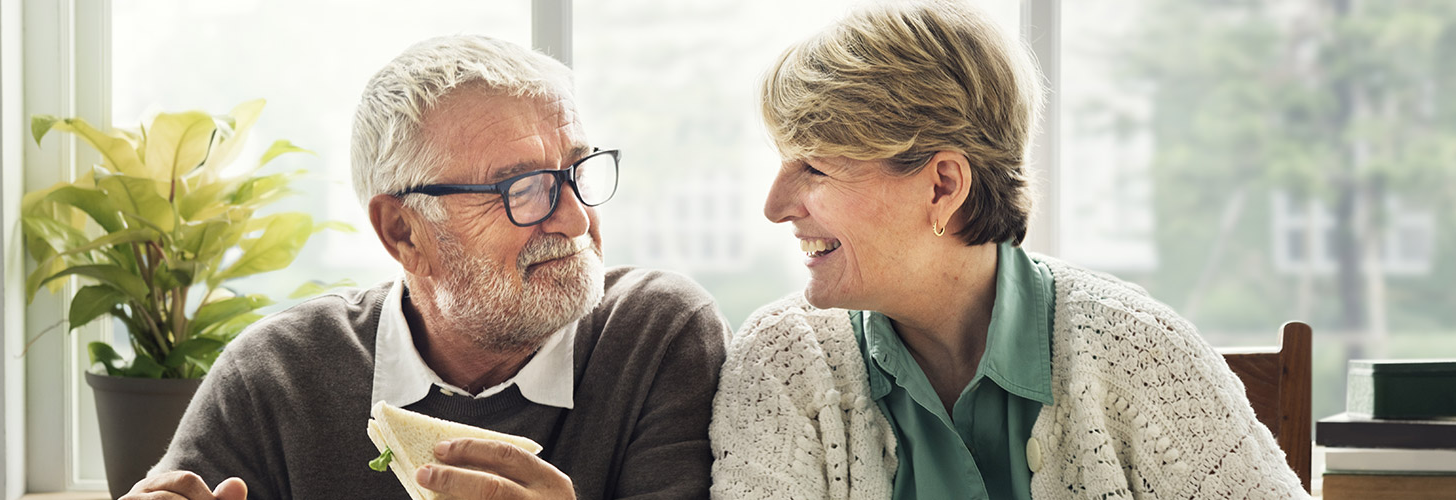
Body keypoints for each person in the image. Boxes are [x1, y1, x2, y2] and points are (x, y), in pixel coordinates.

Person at [709, 1, 1308, 499]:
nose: (776, 204)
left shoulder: (1142, 352)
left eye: (813, 168)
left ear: (943, 185)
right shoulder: (783, 362)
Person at [122, 34, 728, 500]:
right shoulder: (277, 376)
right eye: (523, 188)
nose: (573, 218)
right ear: (403, 231)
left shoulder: (657, 336)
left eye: (577, 170)